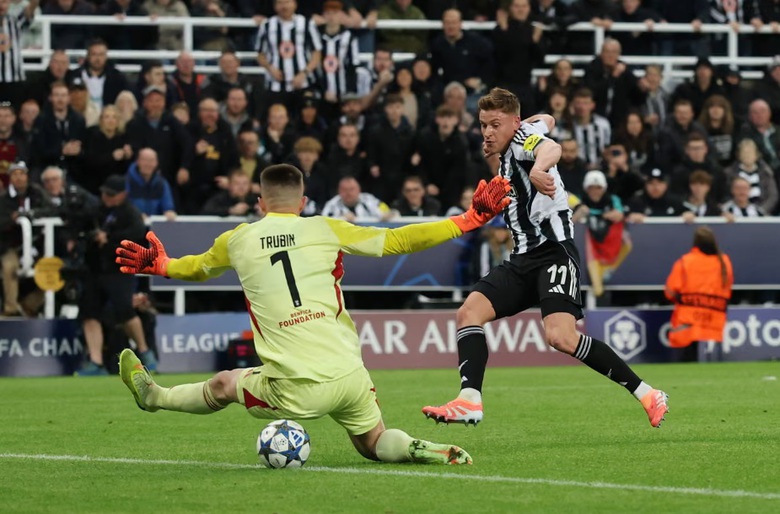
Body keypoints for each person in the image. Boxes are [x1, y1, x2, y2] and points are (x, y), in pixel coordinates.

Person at [115, 164, 512, 465]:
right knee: (373, 443)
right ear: (302, 203)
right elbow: (399, 239)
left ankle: (155, 397)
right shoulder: (326, 228)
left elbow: (197, 268)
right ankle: (411, 447)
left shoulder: (236, 240)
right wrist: (470, 219)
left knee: (224, 383)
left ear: (260, 203)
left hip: (295, 388)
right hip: (350, 376)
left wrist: (162, 264)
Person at [421, 88, 669, 429]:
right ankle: (469, 401)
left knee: (561, 338)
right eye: (483, 125)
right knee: (468, 313)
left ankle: (647, 393)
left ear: (513, 123)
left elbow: (549, 148)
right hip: (522, 258)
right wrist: (540, 121)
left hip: (554, 252)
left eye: (495, 124)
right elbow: (547, 123)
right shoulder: (523, 134)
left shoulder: (524, 144)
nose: (487, 132)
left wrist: (539, 169)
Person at [75, 174, 157, 376]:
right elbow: (81, 228)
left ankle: (145, 352)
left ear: (123, 195)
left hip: (119, 270)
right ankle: (95, 361)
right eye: (104, 193)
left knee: (125, 311)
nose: (106, 197)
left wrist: (110, 239)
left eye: (111, 195)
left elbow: (138, 237)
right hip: (94, 268)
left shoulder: (131, 213)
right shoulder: (96, 210)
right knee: (89, 312)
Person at [665, 226, 733, 363]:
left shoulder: (685, 261)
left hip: (688, 320)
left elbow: (670, 291)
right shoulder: (724, 261)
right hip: (713, 319)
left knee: (686, 361)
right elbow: (728, 286)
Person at [571, 170, 631, 298]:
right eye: (591, 188)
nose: (595, 191)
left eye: (598, 188)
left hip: (607, 244)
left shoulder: (612, 199)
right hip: (588, 250)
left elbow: (619, 214)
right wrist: (579, 213)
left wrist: (614, 215)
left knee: (627, 245)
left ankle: (608, 270)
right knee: (597, 289)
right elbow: (571, 219)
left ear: (604, 188)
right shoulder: (579, 199)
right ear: (586, 188)